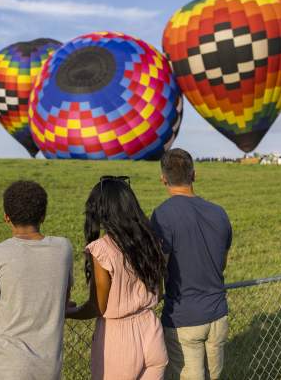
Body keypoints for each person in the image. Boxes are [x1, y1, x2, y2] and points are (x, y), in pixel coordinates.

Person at [66, 176, 168, 380]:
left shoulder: (102, 250)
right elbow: (160, 290)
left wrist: (68, 312)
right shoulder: (150, 240)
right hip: (152, 331)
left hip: (119, 343)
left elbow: (98, 307)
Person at [0, 180, 73, 380]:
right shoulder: (63, 248)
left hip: (7, 368)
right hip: (49, 369)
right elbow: (64, 301)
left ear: (6, 217)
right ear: (43, 215)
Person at [151, 148, 232, 380]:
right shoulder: (219, 213)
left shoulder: (162, 215)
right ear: (194, 175)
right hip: (218, 314)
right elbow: (222, 263)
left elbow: (158, 266)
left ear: (163, 178)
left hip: (183, 317)